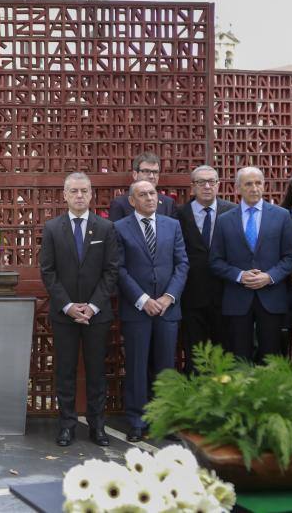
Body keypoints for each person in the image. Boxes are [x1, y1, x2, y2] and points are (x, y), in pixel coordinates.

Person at [39, 173, 119, 447]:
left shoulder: (106, 228)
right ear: (64, 195)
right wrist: (69, 306)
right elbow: (48, 272)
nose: (79, 195)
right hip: (65, 314)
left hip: (97, 315)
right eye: (73, 191)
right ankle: (66, 426)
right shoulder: (52, 228)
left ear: (91, 194)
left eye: (84, 190)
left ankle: (98, 426)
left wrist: (93, 306)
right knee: (65, 372)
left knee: (97, 372)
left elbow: (111, 271)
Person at [115, 180, 188, 442]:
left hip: (167, 309)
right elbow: (119, 269)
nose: (149, 198)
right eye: (142, 195)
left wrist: (168, 297)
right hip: (137, 310)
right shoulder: (120, 228)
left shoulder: (173, 225)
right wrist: (144, 299)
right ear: (132, 201)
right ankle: (137, 421)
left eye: (152, 193)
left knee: (166, 366)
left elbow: (182, 264)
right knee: (136, 365)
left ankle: (165, 421)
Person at [210, 167, 292, 362]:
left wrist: (269, 276)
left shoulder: (281, 215)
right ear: (237, 188)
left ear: (264, 186)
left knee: (271, 358)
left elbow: (290, 257)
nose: (254, 188)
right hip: (237, 300)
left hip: (271, 298)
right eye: (248, 184)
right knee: (239, 358)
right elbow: (215, 261)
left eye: (258, 183)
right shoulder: (224, 221)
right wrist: (240, 276)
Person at [176, 166, 236, 373]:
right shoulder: (179, 215)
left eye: (212, 181)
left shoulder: (232, 212)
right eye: (201, 182)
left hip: (226, 295)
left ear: (219, 184)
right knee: (195, 355)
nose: (207, 186)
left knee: (225, 355)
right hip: (192, 296)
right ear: (192, 187)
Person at [108, 152, 177, 222]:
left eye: (155, 172)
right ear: (135, 174)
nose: (151, 176)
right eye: (146, 171)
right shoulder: (120, 204)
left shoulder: (168, 203)